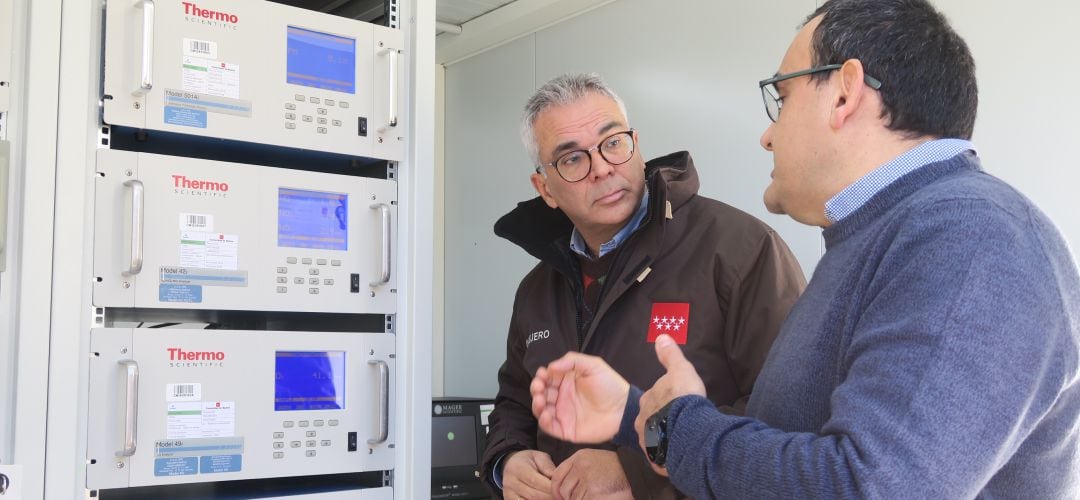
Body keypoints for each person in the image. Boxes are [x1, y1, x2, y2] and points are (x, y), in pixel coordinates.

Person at [528, 1, 1080, 498]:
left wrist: (681, 433)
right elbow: (800, 440)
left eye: (783, 96)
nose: (767, 135)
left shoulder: (972, 238)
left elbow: (870, 486)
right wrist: (636, 417)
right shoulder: (884, 235)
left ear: (844, 92)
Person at [483, 73, 806, 499]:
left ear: (636, 143)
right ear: (545, 187)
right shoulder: (537, 290)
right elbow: (514, 403)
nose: (601, 168)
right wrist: (507, 460)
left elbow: (790, 413)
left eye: (613, 142)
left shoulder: (739, 249)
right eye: (572, 159)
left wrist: (637, 471)